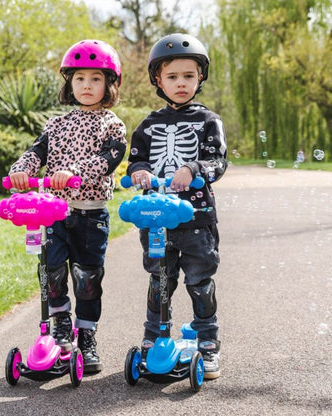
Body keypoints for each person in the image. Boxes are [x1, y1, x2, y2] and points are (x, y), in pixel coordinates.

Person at [8, 39, 127, 373]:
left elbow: (109, 158)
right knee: (52, 270)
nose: (86, 85)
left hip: (90, 214)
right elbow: (36, 152)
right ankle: (61, 323)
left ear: (109, 84)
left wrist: (75, 171)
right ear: (69, 83)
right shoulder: (56, 125)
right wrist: (21, 170)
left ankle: (86, 337)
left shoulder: (112, 124)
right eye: (79, 79)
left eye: (95, 79)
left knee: (87, 278)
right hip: (54, 213)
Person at [127, 33, 228, 379]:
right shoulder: (148, 124)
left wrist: (193, 168)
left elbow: (217, 161)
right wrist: (139, 172)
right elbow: (136, 161)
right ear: (158, 80)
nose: (181, 83)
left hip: (197, 219)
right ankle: (154, 337)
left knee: (200, 281)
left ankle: (207, 340)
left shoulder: (208, 121)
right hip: (155, 219)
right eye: (172, 76)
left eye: (188, 75)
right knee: (159, 281)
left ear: (200, 77)